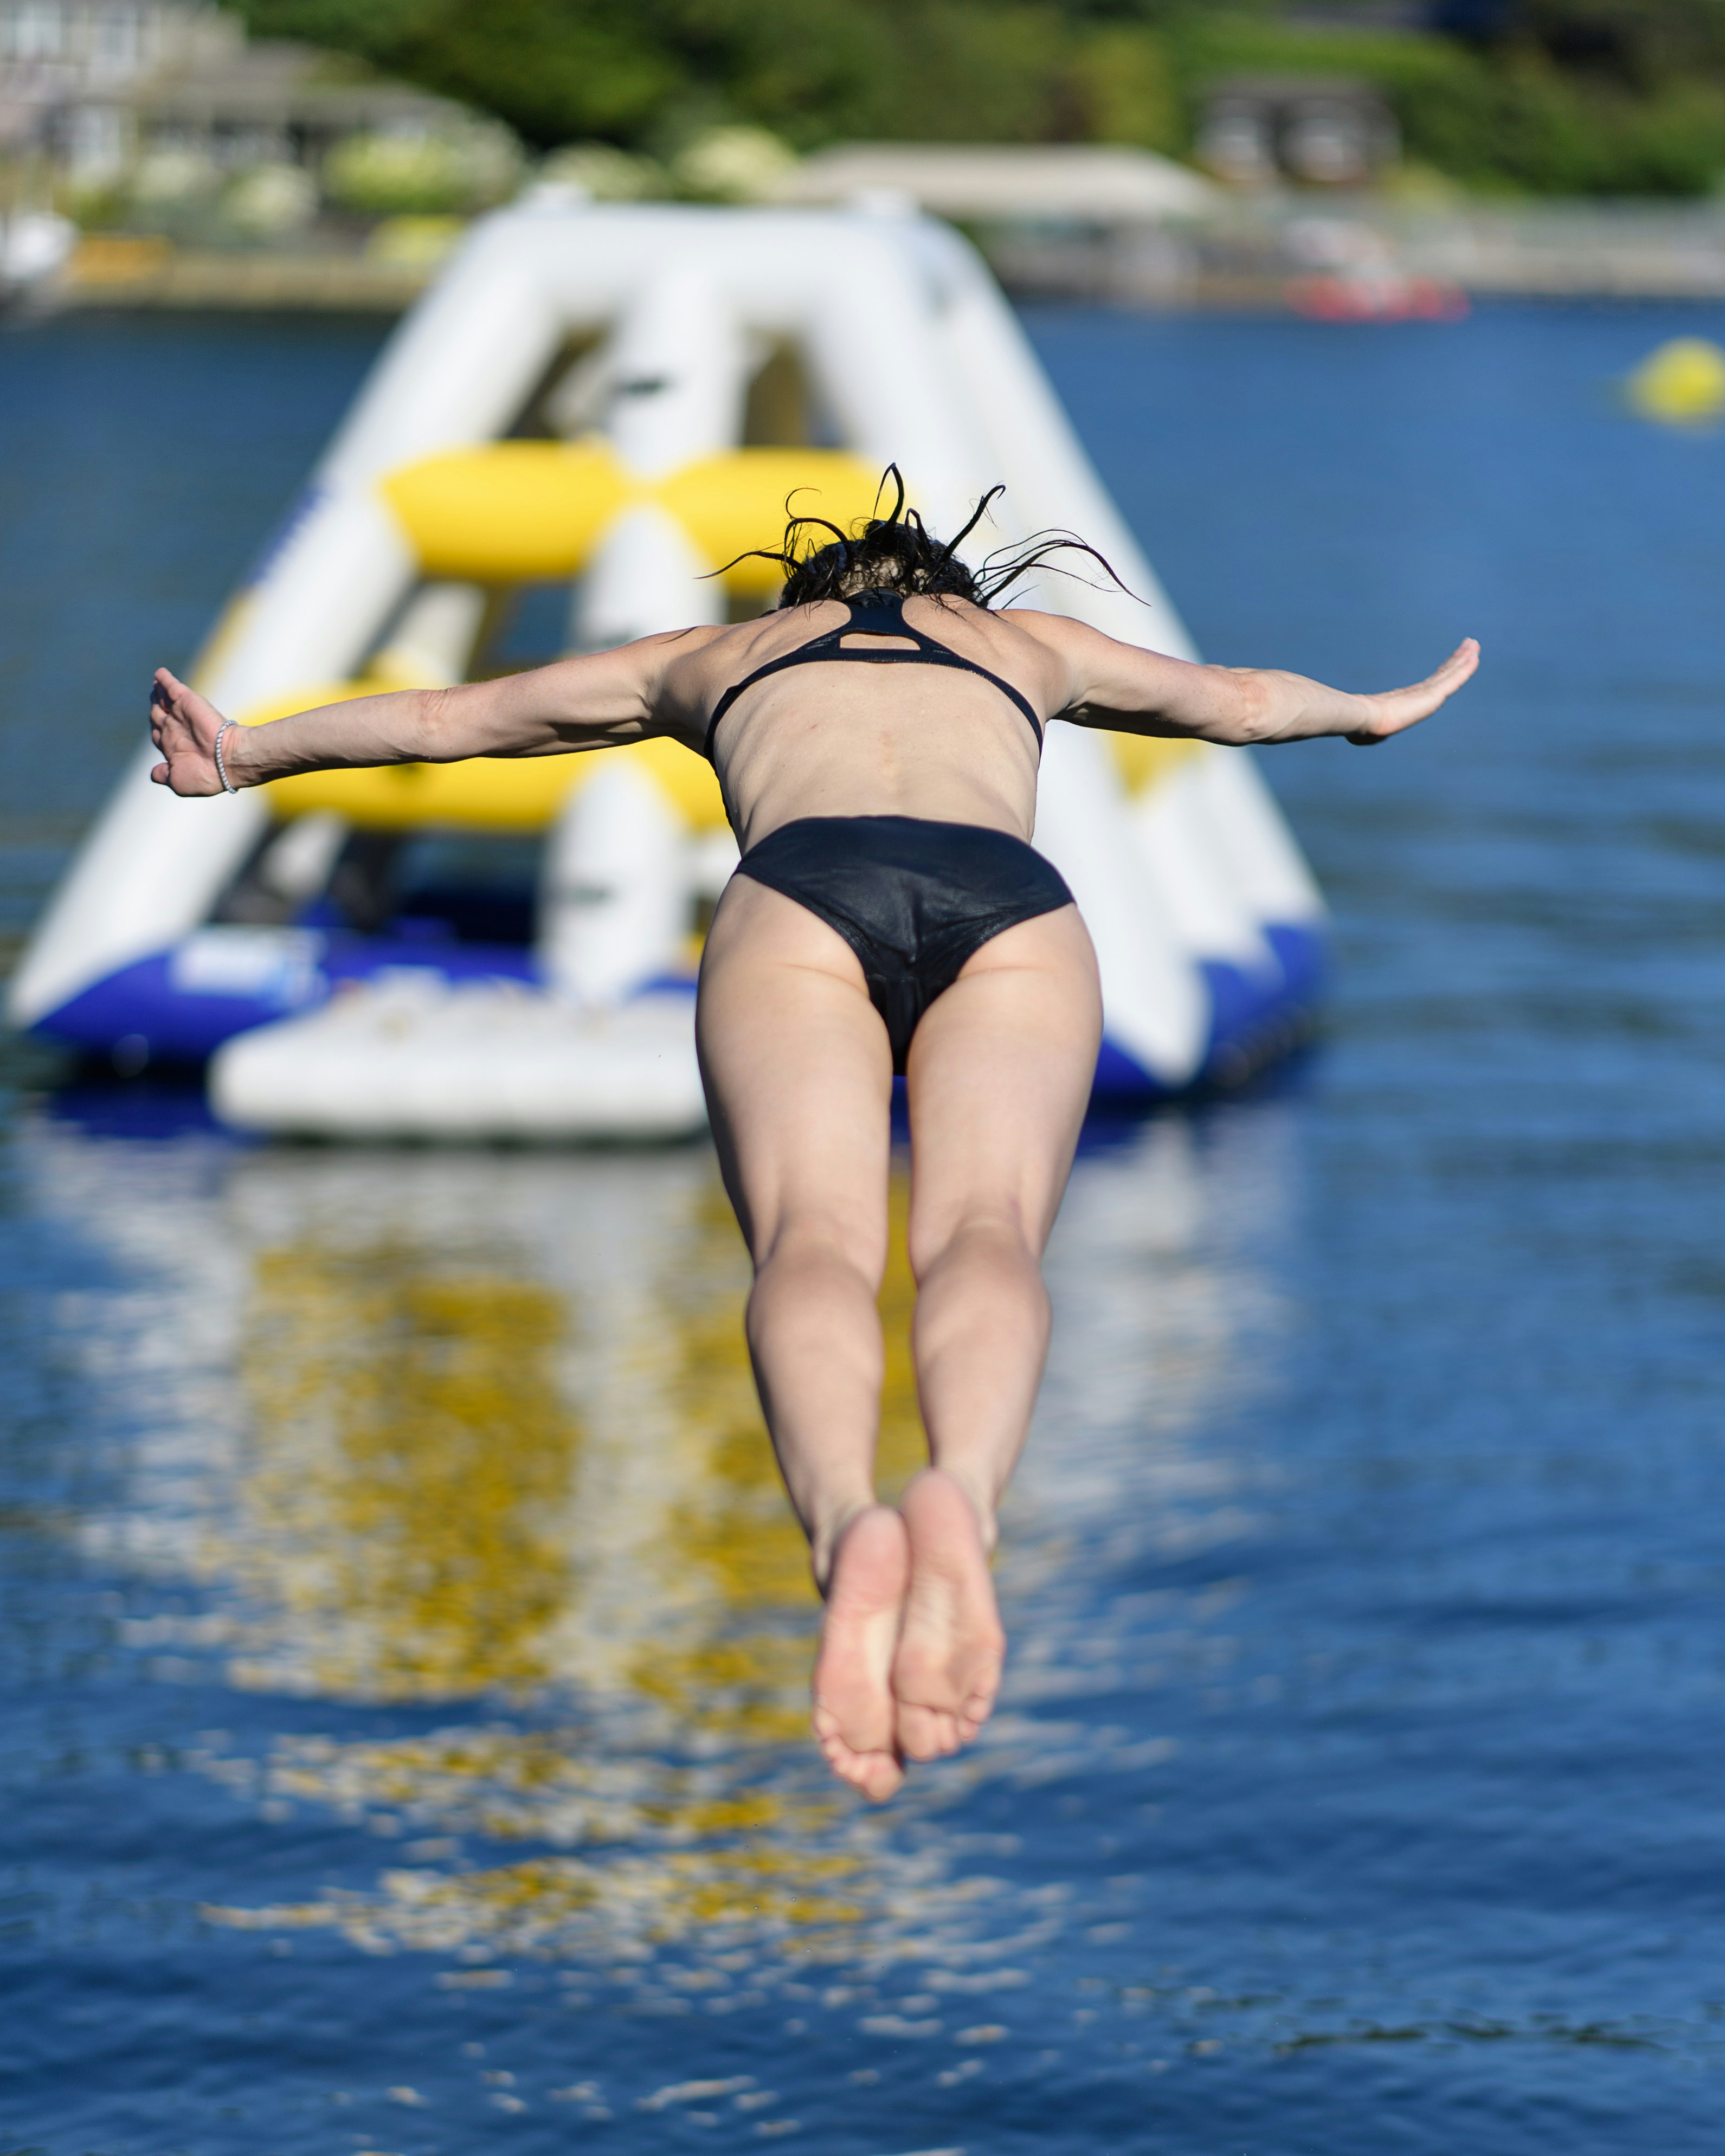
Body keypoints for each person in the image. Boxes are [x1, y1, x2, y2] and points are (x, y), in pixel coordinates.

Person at [149, 482, 1478, 1804]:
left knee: (814, 1243)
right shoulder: (1020, 644)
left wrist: (248, 753)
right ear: (947, 595)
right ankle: (960, 1492)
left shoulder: (713, 659)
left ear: (804, 602)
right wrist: (1373, 711)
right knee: (986, 1234)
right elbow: (1243, 702)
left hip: (802, 892)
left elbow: (452, 723)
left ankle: (848, 1528)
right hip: (1005, 902)